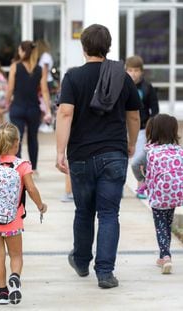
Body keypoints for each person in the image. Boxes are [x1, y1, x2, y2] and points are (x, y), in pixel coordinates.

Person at [56, 24, 141, 289]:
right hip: (113, 153)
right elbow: (134, 116)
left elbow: (65, 113)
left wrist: (60, 151)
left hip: (80, 154)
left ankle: (81, 261)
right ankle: (105, 272)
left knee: (83, 211)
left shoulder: (72, 78)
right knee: (108, 213)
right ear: (108, 47)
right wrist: (132, 143)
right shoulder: (122, 77)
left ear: (83, 48)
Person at [0, 122, 47, 305]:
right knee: (16, 255)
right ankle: (15, 278)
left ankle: (2, 292)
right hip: (12, 219)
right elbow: (30, 188)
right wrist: (40, 205)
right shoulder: (22, 166)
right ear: (16, 143)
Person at [139, 114, 183, 274]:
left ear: (153, 131)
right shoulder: (178, 150)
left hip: (158, 193)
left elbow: (136, 164)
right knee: (167, 223)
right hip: (175, 193)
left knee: (160, 226)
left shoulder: (150, 151)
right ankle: (164, 255)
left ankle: (165, 256)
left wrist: (142, 180)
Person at [5, 41, 52, 174]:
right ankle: (34, 168)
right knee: (33, 138)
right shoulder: (39, 69)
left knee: (16, 138)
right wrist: (48, 109)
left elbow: (10, 88)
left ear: (23, 51)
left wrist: (6, 103)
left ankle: (18, 167)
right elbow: (44, 91)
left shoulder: (15, 66)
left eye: (19, 50)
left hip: (17, 107)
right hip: (33, 108)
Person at [125, 55, 159, 199]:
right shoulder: (121, 86)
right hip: (123, 128)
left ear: (142, 71)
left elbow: (154, 109)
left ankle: (141, 187)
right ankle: (117, 189)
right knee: (120, 160)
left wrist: (151, 128)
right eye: (130, 70)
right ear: (126, 70)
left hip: (142, 129)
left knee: (139, 160)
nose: (133, 74)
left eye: (136, 70)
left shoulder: (147, 87)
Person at [36, 39, 56, 133]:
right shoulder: (44, 56)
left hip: (46, 81)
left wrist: (41, 81)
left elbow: (45, 70)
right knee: (44, 103)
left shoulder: (45, 56)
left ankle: (48, 124)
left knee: (46, 102)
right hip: (46, 80)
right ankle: (45, 123)